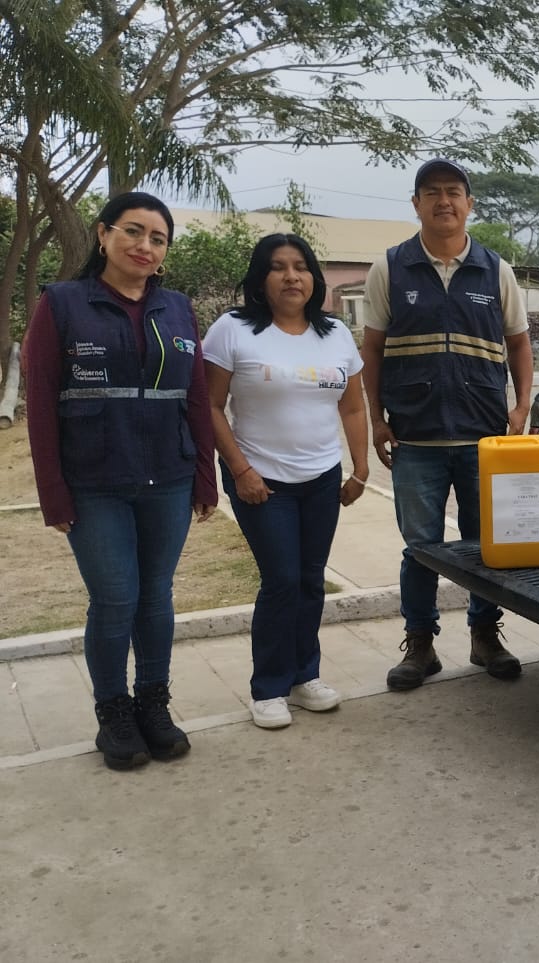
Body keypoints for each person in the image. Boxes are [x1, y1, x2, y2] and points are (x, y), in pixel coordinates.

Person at [22, 191, 217, 771]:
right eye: (133, 231)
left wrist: (204, 477)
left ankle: (152, 705)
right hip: (94, 481)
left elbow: (196, 398)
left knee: (156, 597)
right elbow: (40, 404)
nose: (145, 246)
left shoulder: (177, 309)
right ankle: (114, 715)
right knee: (115, 600)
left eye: (158, 238)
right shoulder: (62, 303)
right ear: (103, 235)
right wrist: (53, 491)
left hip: (169, 478)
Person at [360, 157, 534, 689]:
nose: (444, 201)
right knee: (421, 549)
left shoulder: (495, 270)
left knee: (486, 545)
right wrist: (376, 419)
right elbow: (372, 349)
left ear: (469, 203)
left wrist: (521, 406)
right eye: (432, 192)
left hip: (485, 437)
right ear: (416, 204)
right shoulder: (390, 268)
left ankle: (485, 637)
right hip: (415, 438)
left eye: (454, 192)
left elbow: (519, 343)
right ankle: (421, 644)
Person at [204, 234, 369, 730]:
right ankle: (269, 688)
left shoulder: (335, 333)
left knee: (310, 579)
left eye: (301, 267)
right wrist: (241, 470)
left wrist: (360, 468)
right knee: (281, 581)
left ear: (315, 278)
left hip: (322, 478)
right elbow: (209, 406)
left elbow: (353, 406)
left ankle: (304, 676)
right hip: (260, 478)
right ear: (261, 279)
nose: (291, 276)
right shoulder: (233, 330)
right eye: (277, 267)